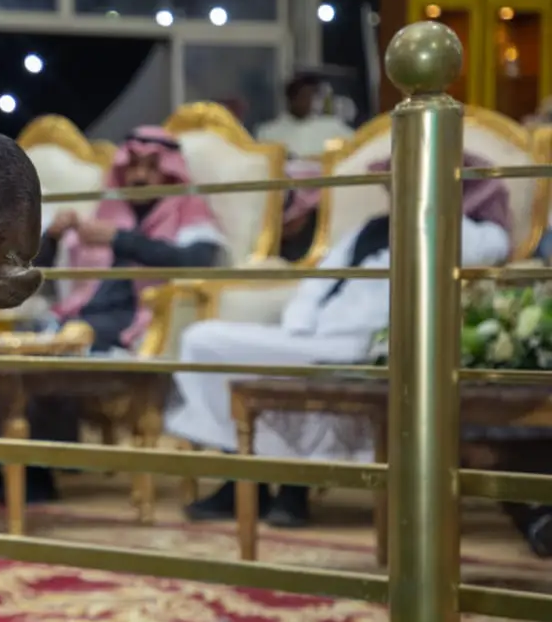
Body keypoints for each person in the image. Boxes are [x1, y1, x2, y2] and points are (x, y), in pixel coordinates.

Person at [171, 173, 514, 528]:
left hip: (370, 344)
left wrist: (440, 214)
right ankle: (244, 474)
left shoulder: (474, 233)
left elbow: (479, 257)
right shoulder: (369, 228)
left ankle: (292, 485)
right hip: (312, 333)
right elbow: (321, 278)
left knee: (284, 364)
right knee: (202, 339)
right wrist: (299, 324)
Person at [0, 126, 227, 502]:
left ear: (169, 171)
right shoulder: (111, 208)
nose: (138, 176)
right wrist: (52, 239)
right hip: (78, 312)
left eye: (150, 167)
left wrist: (120, 240)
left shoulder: (189, 209)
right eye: (132, 166)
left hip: (134, 319)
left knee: (53, 351)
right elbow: (36, 269)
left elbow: (198, 261)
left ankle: (38, 471)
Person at [255, 72, 355, 160]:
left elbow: (355, 146)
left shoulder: (332, 127)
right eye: (304, 97)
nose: (309, 102)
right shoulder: (269, 133)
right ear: (291, 99)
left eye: (312, 97)